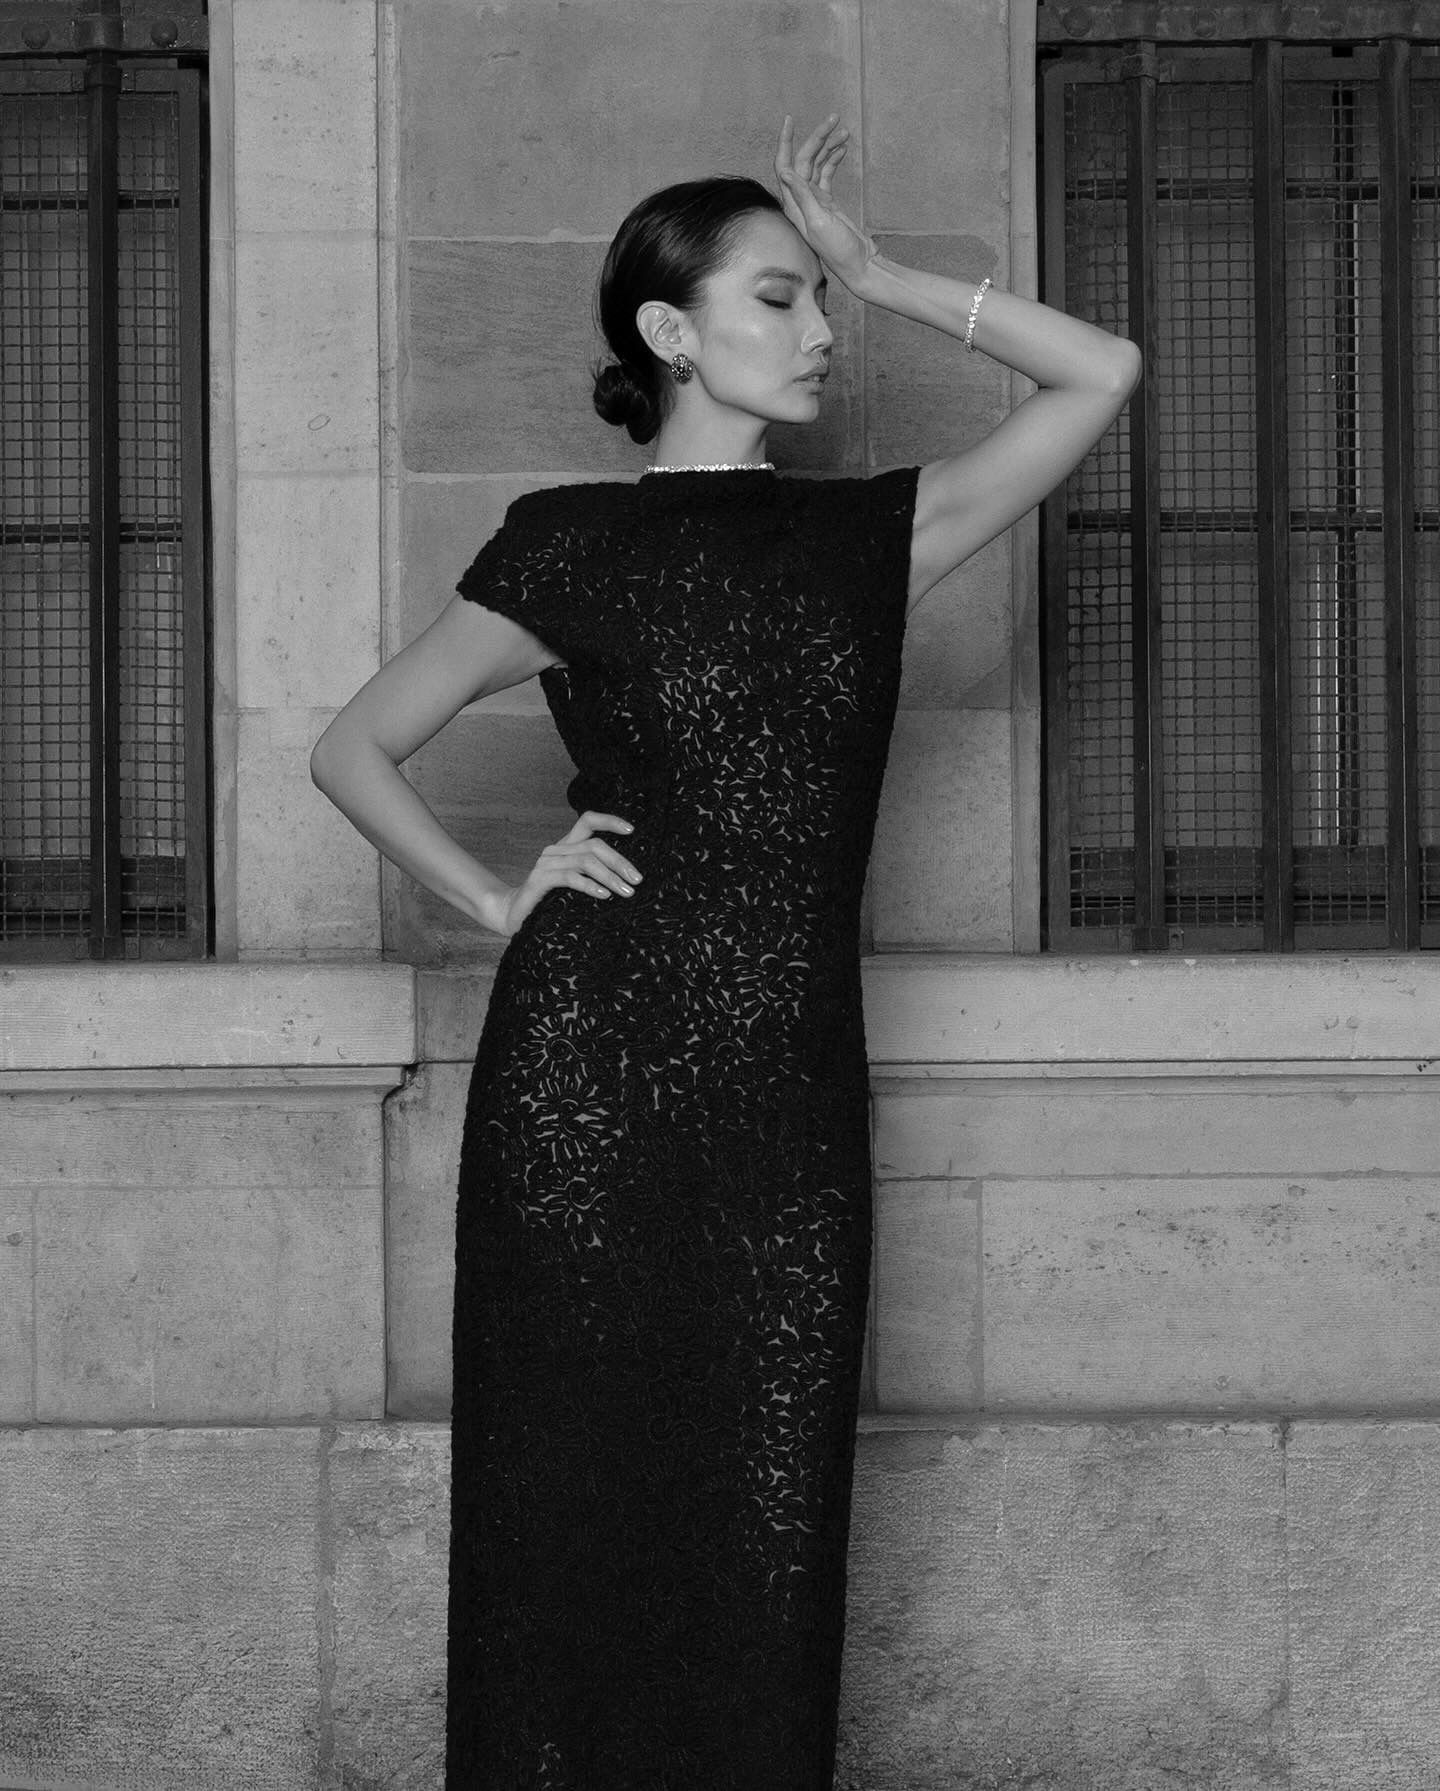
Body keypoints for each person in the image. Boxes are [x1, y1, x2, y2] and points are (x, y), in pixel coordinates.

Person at [311, 115, 1140, 1791]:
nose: (820, 332)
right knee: (570, 1489)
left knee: (764, 1490)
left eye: (818, 300)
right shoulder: (568, 543)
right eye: (782, 298)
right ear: (670, 334)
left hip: (784, 1098)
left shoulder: (866, 542)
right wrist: (496, 900)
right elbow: (350, 747)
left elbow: (1103, 373)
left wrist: (885, 270)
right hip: (587, 1075)